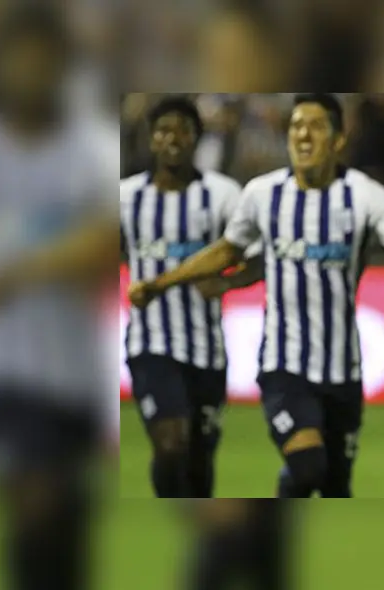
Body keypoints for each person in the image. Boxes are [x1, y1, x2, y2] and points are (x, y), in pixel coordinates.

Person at [128, 93, 384, 498]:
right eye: (296, 126)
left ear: (338, 140)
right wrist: (164, 283)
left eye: (315, 126)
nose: (303, 134)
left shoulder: (365, 195)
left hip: (344, 369)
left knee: (335, 486)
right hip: (283, 365)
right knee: (307, 467)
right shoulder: (263, 194)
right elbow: (231, 250)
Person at [0, 6, 115, 589]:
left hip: (71, 373)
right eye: (20, 59)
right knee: (32, 510)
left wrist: (14, 271)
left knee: (64, 528)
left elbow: (104, 244)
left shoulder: (90, 148)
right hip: (3, 371)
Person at [120, 95, 260, 498]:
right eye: (163, 129)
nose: (173, 138)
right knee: (170, 444)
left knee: (198, 463)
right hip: (151, 345)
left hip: (206, 349)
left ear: (197, 137)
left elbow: (257, 256)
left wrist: (231, 283)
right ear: (151, 139)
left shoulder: (222, 195)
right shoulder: (126, 197)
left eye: (183, 129)